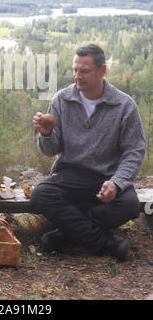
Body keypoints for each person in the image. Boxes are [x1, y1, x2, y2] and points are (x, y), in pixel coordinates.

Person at [30, 44, 146, 261]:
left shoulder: (124, 105)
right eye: (75, 70)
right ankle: (107, 243)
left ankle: (63, 236)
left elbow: (134, 150)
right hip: (70, 175)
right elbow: (50, 150)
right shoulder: (61, 100)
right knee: (41, 195)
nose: (77, 76)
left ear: (102, 70)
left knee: (129, 205)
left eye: (84, 71)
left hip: (107, 178)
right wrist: (46, 134)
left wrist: (117, 182)